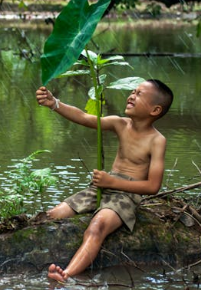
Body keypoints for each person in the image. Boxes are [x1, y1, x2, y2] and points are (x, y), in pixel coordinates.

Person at [35, 79, 174, 283]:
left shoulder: (157, 141)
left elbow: (152, 186)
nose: (131, 95)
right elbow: (84, 117)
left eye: (139, 94)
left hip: (126, 194)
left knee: (96, 226)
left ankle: (66, 275)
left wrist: (112, 182)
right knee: (53, 215)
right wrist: (54, 103)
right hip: (101, 187)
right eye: (132, 91)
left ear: (155, 110)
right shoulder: (120, 123)